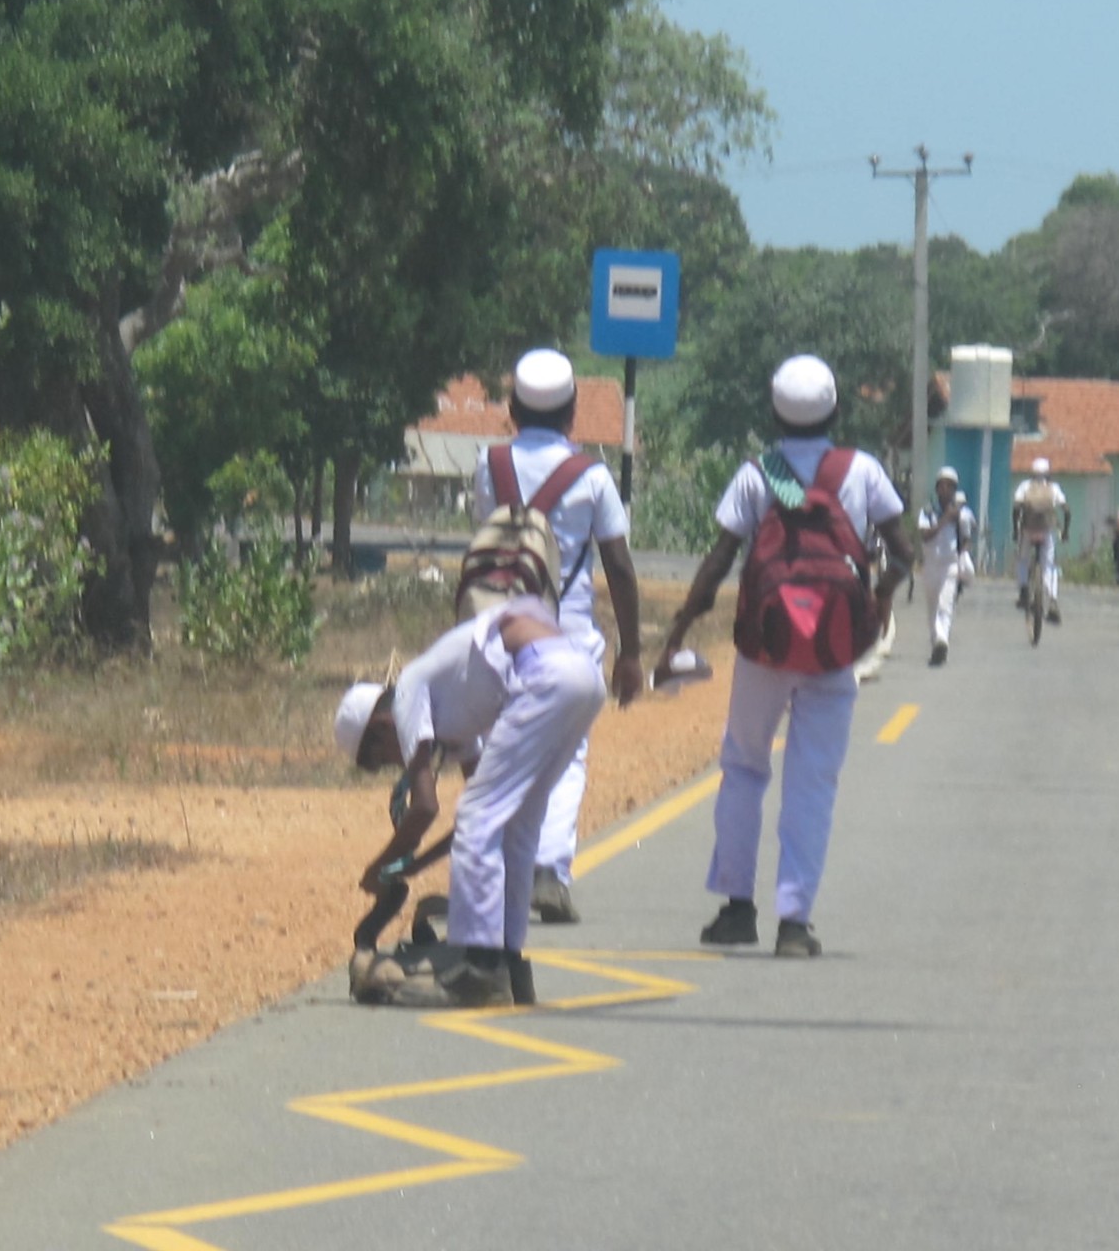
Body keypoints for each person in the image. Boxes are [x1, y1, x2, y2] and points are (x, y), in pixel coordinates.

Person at [654, 354, 912, 958]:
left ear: (774, 412)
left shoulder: (758, 473)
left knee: (744, 765)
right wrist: (878, 602)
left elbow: (720, 560)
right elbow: (902, 552)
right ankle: (794, 922)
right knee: (812, 780)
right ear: (836, 410)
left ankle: (737, 908)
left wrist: (681, 628)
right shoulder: (863, 470)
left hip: (765, 647)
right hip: (834, 646)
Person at [335, 596, 606, 1008]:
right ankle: (509, 964)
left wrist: (379, 869)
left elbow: (427, 808)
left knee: (482, 813)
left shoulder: (409, 691)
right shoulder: (453, 717)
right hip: (583, 675)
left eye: (380, 759)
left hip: (546, 675)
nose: (396, 764)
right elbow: (476, 819)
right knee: (514, 823)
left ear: (378, 727)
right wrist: (410, 865)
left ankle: (479, 970)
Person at [473, 348, 641, 926]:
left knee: (506, 745)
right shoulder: (591, 475)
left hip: (503, 629)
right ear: (573, 413)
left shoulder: (488, 464)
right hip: (568, 631)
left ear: (513, 410)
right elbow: (618, 564)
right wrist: (632, 651)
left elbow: (486, 542)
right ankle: (548, 870)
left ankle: (500, 873)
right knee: (567, 756)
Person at [917, 467, 975, 665]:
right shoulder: (928, 510)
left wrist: (964, 554)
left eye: (950, 486)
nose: (945, 489)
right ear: (937, 488)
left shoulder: (962, 513)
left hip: (949, 565)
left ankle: (942, 640)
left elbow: (967, 536)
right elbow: (924, 535)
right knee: (932, 606)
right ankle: (936, 643)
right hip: (930, 564)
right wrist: (944, 520)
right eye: (942, 485)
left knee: (945, 605)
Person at [1012, 457, 1070, 619]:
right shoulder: (1053, 488)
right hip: (1047, 530)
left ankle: (1024, 590)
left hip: (1028, 529)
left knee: (1022, 559)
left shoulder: (1025, 486)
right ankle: (1052, 601)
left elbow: (1016, 507)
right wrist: (1065, 531)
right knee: (1049, 566)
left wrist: (1016, 530)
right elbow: (1066, 510)